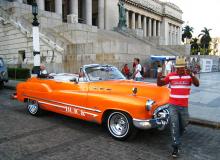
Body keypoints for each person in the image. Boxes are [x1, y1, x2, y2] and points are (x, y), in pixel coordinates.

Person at [157, 56, 200, 158]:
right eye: (178, 68)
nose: (180, 70)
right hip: (173, 105)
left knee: (184, 124)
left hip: (184, 106)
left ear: (185, 67)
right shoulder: (171, 75)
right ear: (176, 68)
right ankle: (175, 146)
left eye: (182, 68)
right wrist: (159, 76)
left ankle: (177, 138)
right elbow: (160, 84)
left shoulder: (189, 76)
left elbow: (197, 84)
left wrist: (192, 75)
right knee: (174, 125)